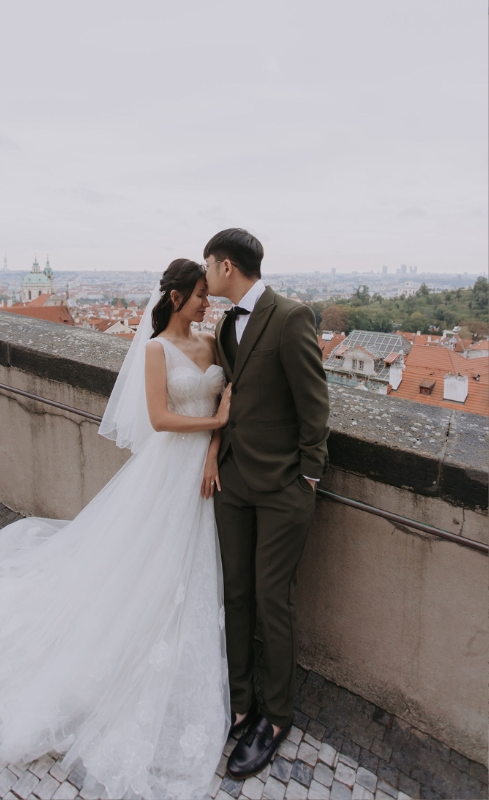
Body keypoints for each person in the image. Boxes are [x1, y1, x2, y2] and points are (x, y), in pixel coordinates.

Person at [0, 259, 234, 799]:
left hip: (200, 470)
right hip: (168, 468)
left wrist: (216, 448)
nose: (208, 304)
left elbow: (228, 401)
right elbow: (160, 418)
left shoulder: (212, 344)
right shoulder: (156, 351)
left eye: (209, 295)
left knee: (187, 570)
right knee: (145, 566)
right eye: (201, 295)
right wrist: (214, 425)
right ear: (177, 297)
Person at [203, 229, 329, 778]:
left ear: (227, 266)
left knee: (271, 599)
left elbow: (314, 405)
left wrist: (307, 480)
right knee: (235, 594)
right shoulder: (227, 322)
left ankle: (276, 717)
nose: (206, 275)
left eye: (209, 265)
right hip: (232, 483)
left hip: (282, 490)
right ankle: (239, 703)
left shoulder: (291, 316)